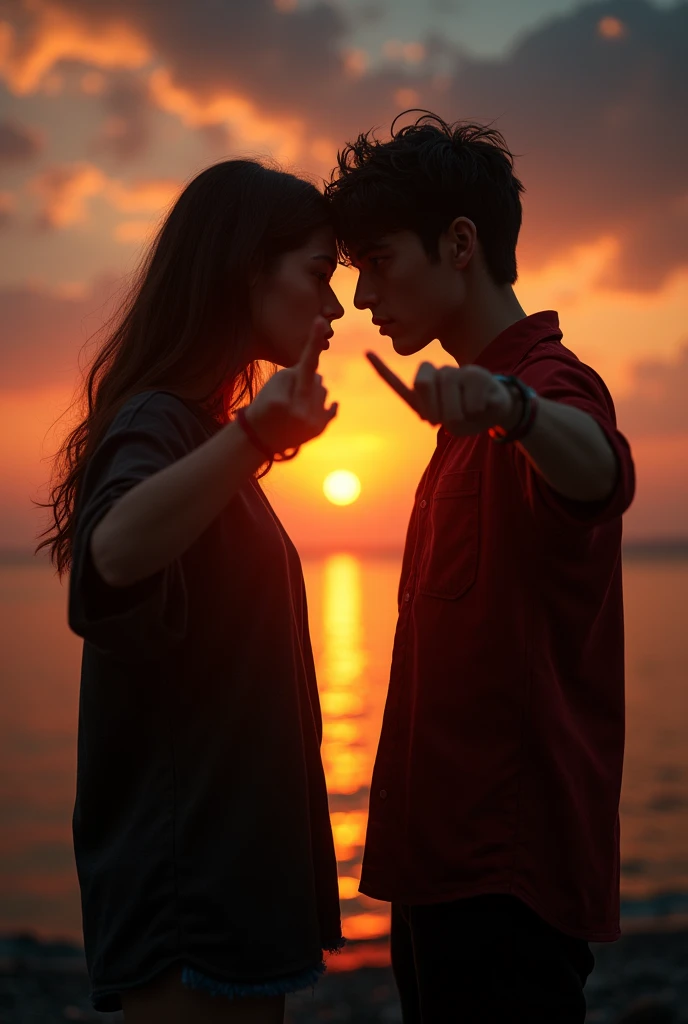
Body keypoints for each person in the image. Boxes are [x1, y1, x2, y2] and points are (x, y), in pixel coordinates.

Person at [326, 112, 636, 1023]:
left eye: (377, 261)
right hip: (437, 869)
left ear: (459, 244)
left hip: (509, 883)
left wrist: (515, 409)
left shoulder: (546, 384)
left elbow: (601, 469)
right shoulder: (466, 416)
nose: (358, 299)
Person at [37, 159, 346, 1024]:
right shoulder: (159, 421)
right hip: (188, 894)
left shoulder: (197, 429)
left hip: (231, 886)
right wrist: (256, 435)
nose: (333, 309)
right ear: (246, 267)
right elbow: (114, 552)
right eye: (318, 276)